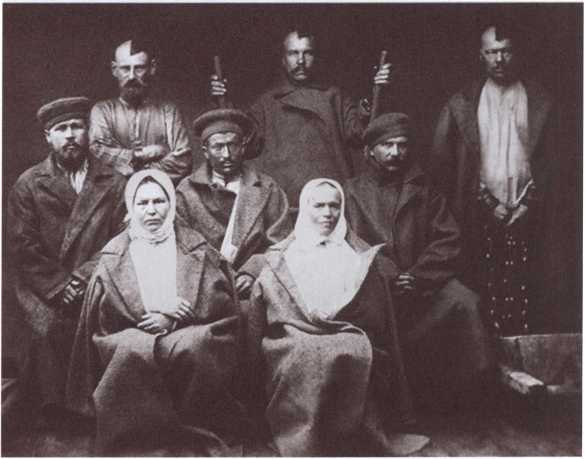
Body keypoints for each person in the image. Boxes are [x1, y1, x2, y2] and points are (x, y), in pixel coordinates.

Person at [66, 170, 244, 456]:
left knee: (196, 345)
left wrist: (175, 316)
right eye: (143, 203)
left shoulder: (195, 246)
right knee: (131, 349)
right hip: (129, 331)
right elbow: (103, 314)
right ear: (131, 207)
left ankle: (195, 429)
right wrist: (155, 309)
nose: (151, 210)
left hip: (189, 328)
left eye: (159, 201)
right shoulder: (114, 254)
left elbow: (221, 299)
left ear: (171, 204)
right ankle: (141, 438)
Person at [246, 178, 429, 456]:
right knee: (304, 352)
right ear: (305, 208)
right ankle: (304, 438)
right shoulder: (283, 256)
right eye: (319, 206)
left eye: (334, 206)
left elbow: (373, 310)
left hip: (347, 329)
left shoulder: (356, 255)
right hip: (295, 333)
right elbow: (269, 306)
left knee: (352, 349)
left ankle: (349, 435)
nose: (327, 213)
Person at [345, 112, 493, 409]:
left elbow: (448, 239)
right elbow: (346, 242)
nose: (395, 153)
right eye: (387, 145)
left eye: (402, 145)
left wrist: (418, 276)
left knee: (465, 301)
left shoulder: (425, 190)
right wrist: (387, 274)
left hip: (423, 285)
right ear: (370, 150)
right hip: (374, 287)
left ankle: (469, 396)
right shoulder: (350, 192)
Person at [431, 23, 559, 335]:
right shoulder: (461, 103)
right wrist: (488, 203)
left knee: (530, 290)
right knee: (482, 291)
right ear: (481, 55)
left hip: (530, 212)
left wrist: (528, 203)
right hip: (477, 214)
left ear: (516, 53)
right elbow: (443, 165)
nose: (499, 59)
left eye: (505, 51)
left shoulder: (540, 100)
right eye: (491, 52)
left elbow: (556, 160)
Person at [6, 97, 127, 415]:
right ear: (48, 136)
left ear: (89, 131)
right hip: (43, 286)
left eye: (77, 126)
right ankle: (54, 412)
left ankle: (99, 409)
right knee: (46, 329)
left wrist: (84, 278)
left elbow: (123, 239)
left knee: (110, 327)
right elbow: (22, 246)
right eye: (61, 129)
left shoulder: (114, 182)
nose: (70, 135)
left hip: (98, 282)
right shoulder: (28, 184)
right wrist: (60, 286)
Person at [210, 28, 392, 206]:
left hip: (329, 200)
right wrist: (224, 103)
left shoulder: (334, 97)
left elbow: (361, 135)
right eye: (293, 53)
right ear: (283, 60)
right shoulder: (267, 103)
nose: (301, 61)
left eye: (308, 53)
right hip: (284, 203)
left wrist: (375, 95)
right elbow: (246, 144)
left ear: (316, 57)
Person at [176, 108, 292, 299]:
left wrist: (253, 271)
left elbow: (282, 242)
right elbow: (181, 248)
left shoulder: (267, 188)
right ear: (205, 151)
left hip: (257, 287)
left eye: (233, 145)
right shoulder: (186, 191)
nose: (227, 154)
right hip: (205, 288)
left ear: (243, 147)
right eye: (218, 147)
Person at [90, 39, 192, 184]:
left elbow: (183, 161)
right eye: (125, 69)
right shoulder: (102, 110)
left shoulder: (168, 111)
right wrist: (144, 154)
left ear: (152, 68)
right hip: (115, 196)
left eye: (139, 68)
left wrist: (129, 168)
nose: (132, 76)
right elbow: (97, 152)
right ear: (114, 69)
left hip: (160, 194)